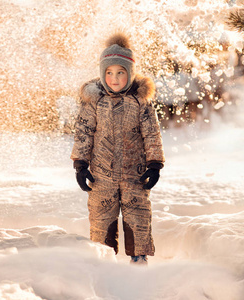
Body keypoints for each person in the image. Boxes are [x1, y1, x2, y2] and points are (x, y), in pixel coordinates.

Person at [71, 32, 165, 265]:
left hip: (136, 174)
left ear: (130, 74)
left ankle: (139, 258)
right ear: (103, 74)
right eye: (109, 73)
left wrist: (155, 164)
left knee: (139, 216)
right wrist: (80, 164)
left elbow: (151, 133)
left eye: (120, 73)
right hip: (101, 175)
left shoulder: (140, 101)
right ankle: (104, 261)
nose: (114, 78)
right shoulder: (94, 101)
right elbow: (83, 132)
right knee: (102, 219)